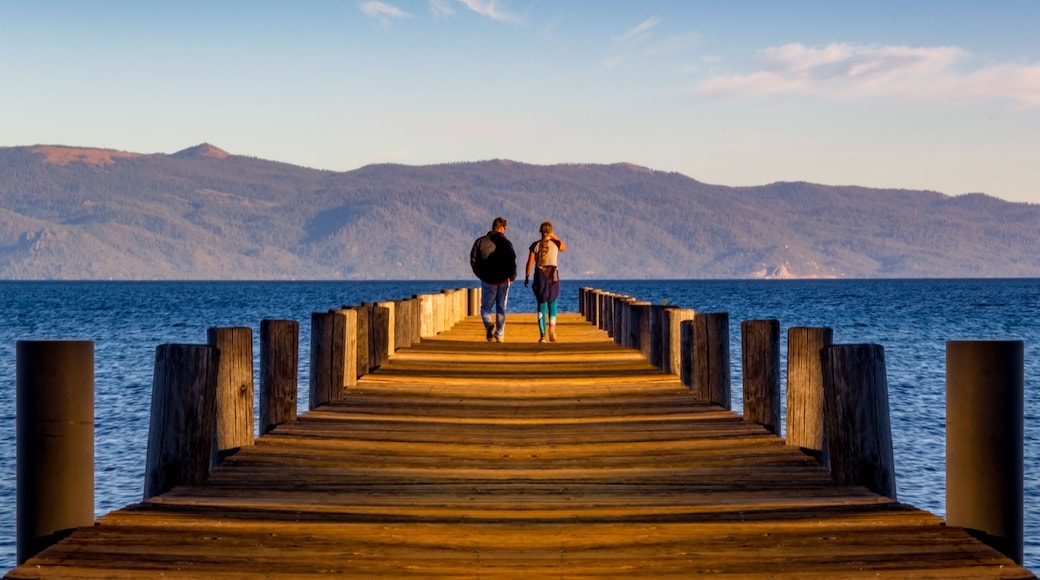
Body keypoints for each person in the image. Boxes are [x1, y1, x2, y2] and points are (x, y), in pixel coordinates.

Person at [470, 216, 517, 342]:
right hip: (503, 280)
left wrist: (480, 274)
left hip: (487, 280)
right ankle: (500, 334)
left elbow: (473, 260)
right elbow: (512, 261)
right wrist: (512, 276)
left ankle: (488, 323)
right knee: (501, 307)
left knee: (486, 306)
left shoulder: (480, 242)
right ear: (501, 228)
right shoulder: (507, 243)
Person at [524, 221, 566, 343]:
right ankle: (552, 328)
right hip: (553, 275)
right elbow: (564, 247)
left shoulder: (535, 246)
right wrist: (553, 236)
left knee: (541, 305)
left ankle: (542, 336)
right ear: (551, 231)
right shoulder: (555, 244)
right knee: (553, 304)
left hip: (540, 276)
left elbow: (530, 262)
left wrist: (527, 276)